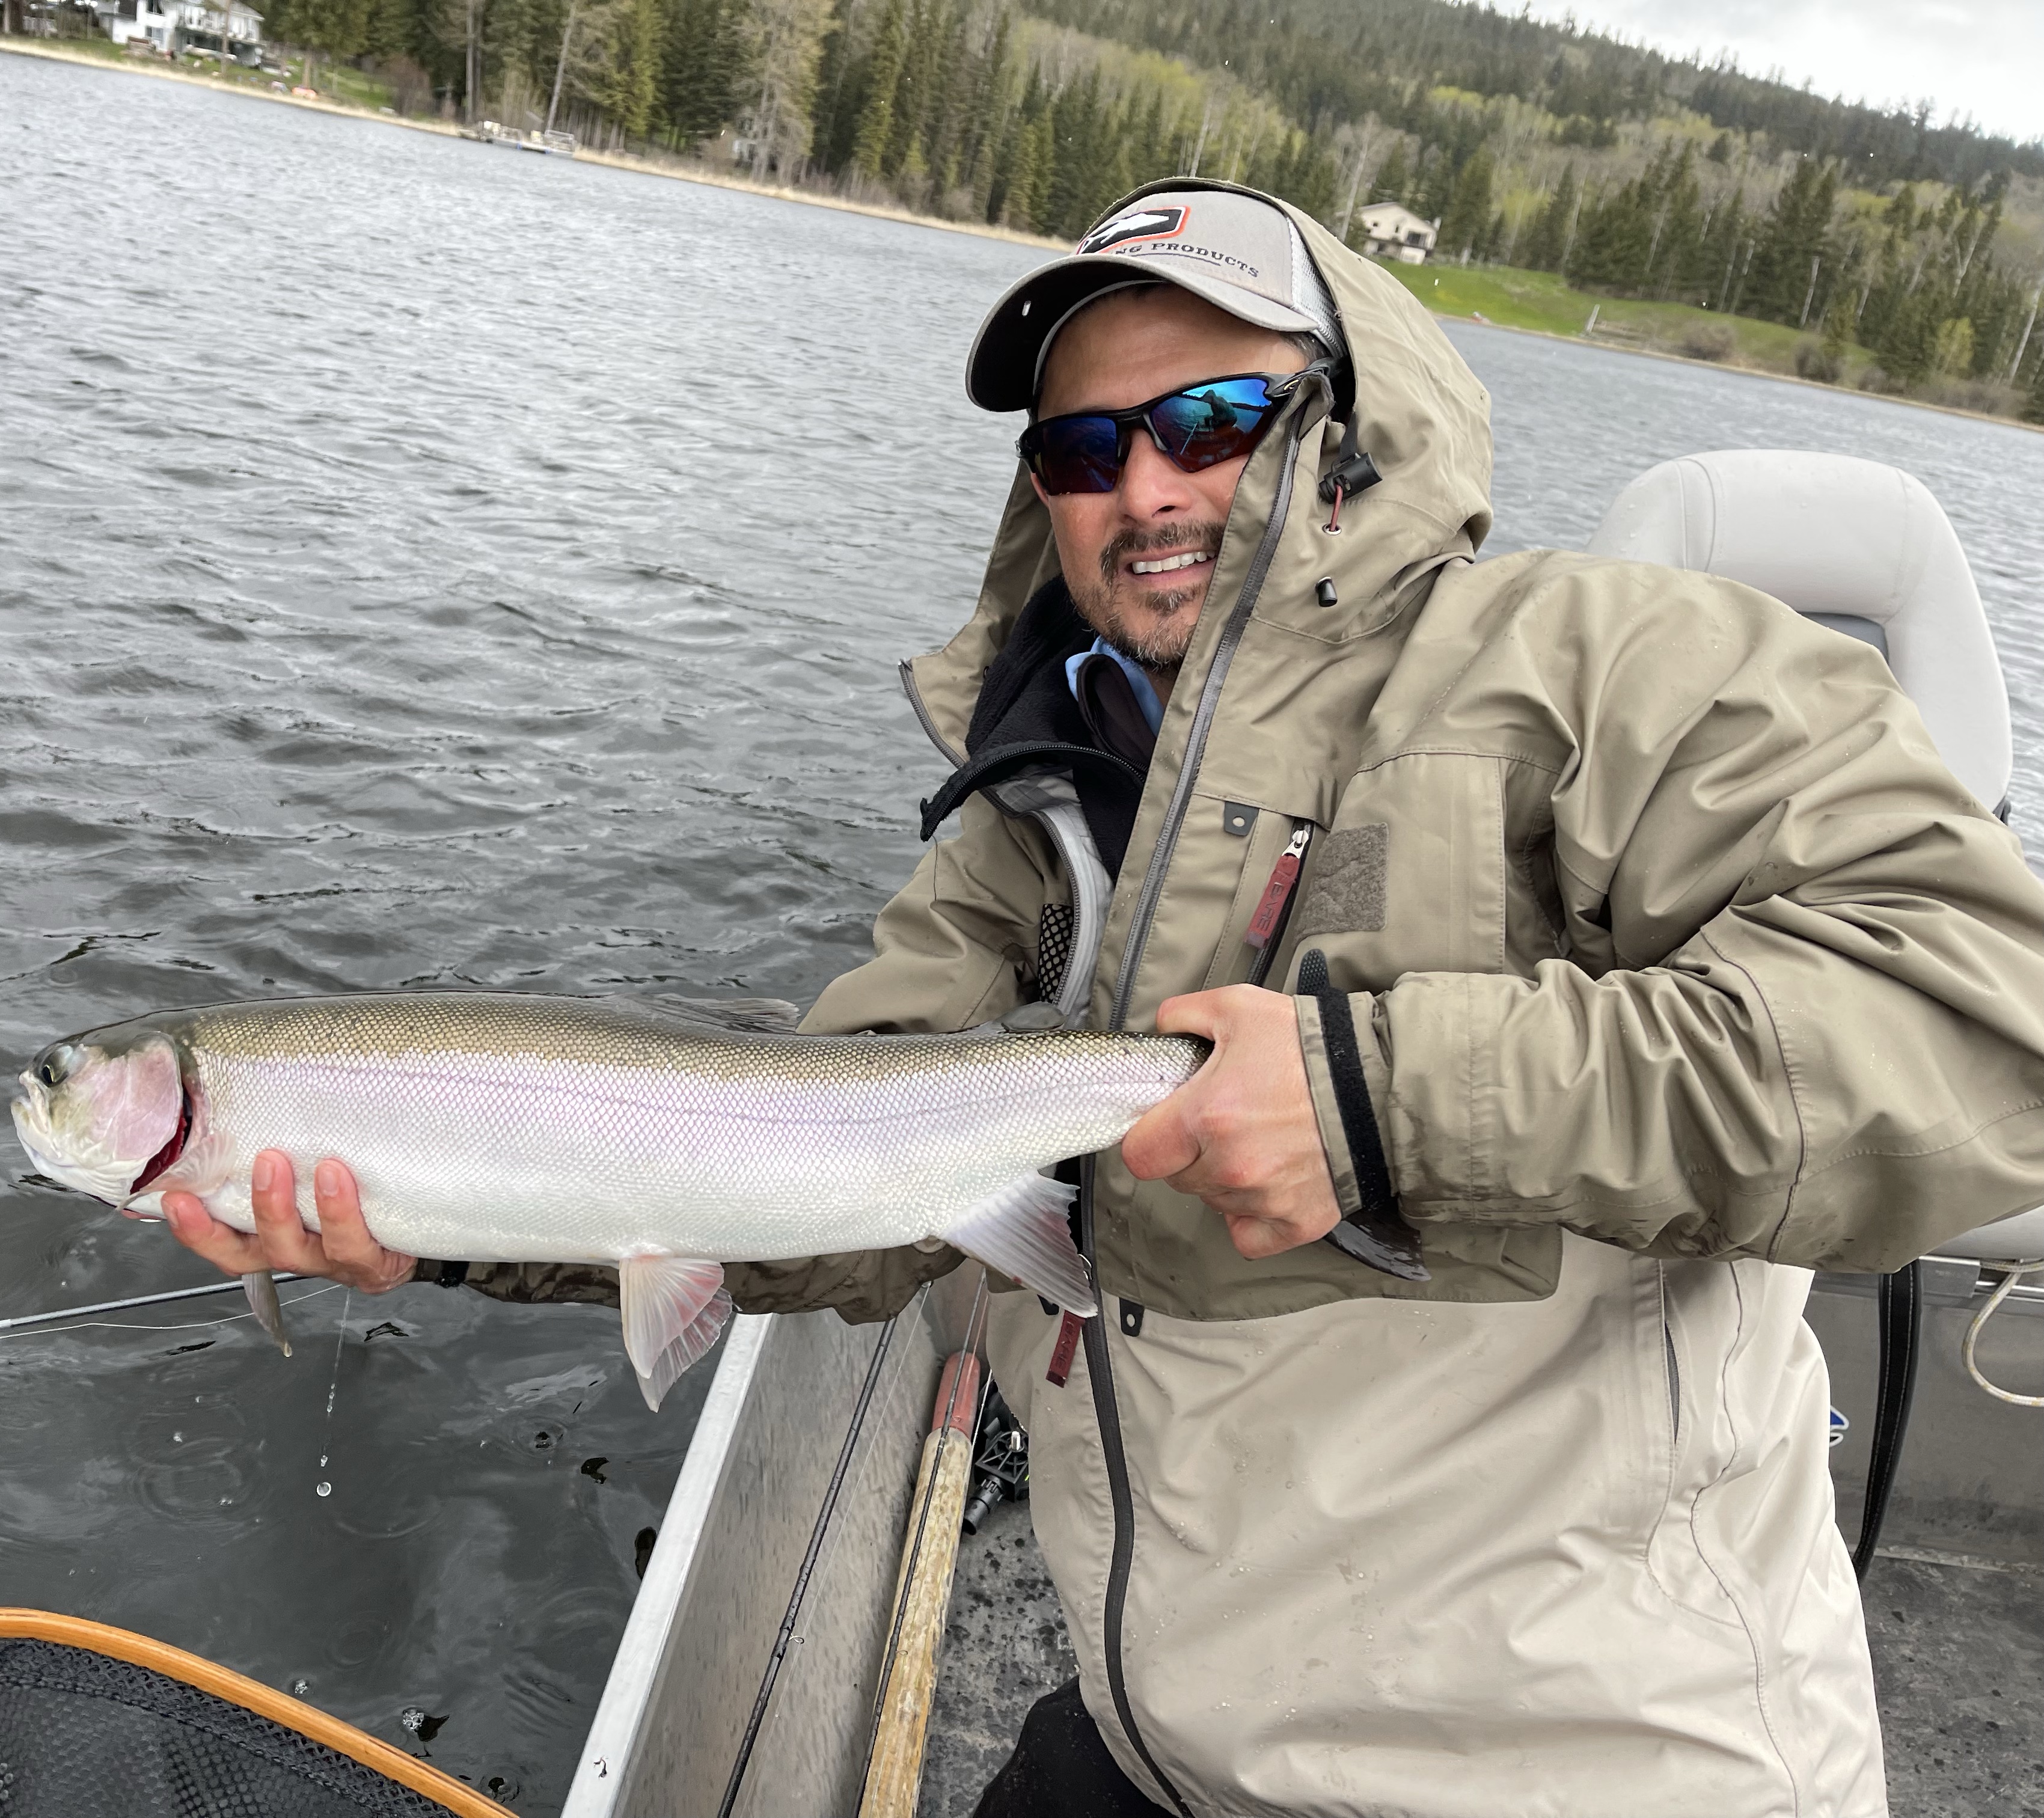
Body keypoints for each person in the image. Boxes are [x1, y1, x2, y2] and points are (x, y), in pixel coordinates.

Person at [159, 182, 2044, 1817]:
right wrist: (455, 1212)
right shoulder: (1029, 803)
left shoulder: (1613, 663)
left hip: (1585, 1769)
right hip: (1172, 1739)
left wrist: (1381, 1100)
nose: (1145, 488)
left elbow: (1985, 1024)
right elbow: (833, 1173)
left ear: (1346, 426)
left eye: (1214, 420)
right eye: (1082, 450)